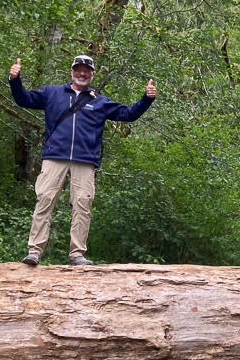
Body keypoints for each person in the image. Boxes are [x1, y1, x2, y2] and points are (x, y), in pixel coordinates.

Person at [9, 54, 156, 266]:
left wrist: (147, 98)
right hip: (54, 156)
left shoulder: (100, 102)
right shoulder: (53, 93)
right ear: (71, 71)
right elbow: (23, 99)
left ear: (92, 74)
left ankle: (77, 254)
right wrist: (15, 80)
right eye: (78, 69)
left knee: (82, 205)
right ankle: (34, 251)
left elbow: (129, 114)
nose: (82, 73)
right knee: (44, 201)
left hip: (85, 160)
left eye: (87, 70)